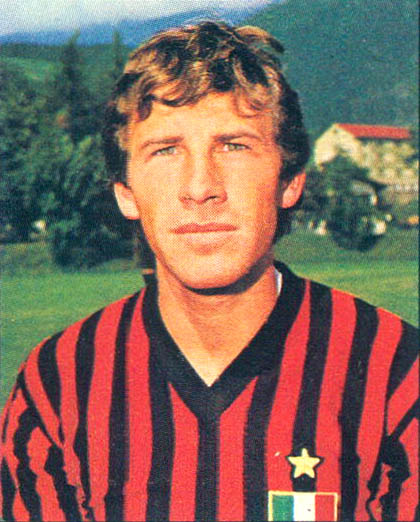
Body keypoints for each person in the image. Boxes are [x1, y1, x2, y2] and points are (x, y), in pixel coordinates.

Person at [0, 21, 418, 522]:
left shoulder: (399, 373)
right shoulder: (58, 382)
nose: (200, 187)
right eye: (166, 150)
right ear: (125, 192)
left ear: (289, 181)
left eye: (233, 146)